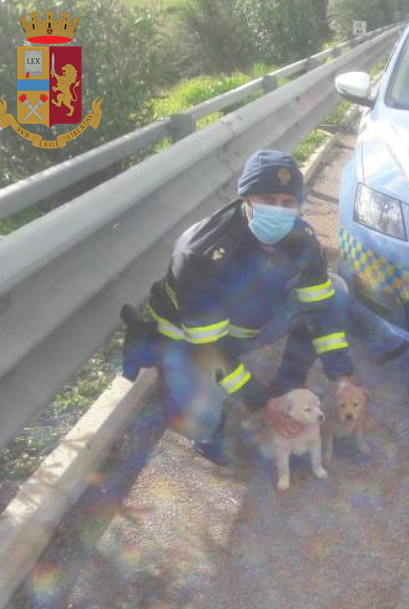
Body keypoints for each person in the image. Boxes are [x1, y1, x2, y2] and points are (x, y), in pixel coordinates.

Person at [121, 150, 357, 463]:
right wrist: (260, 402)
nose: (279, 210)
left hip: (248, 325)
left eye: (288, 203)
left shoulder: (302, 239)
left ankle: (287, 386)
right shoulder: (202, 254)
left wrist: (342, 376)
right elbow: (209, 347)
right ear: (245, 198)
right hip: (191, 340)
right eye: (267, 199)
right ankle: (207, 432)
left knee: (334, 292)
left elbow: (322, 310)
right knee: (195, 415)